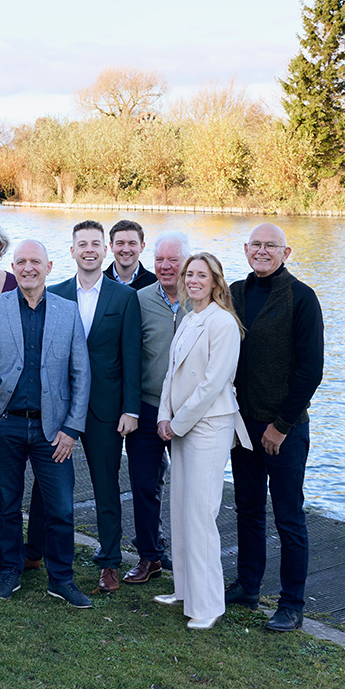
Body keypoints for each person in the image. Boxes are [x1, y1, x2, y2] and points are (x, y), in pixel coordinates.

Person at [0, 240, 92, 606]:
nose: (28, 268)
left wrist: (71, 429)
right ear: (13, 266)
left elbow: (81, 374)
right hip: (5, 424)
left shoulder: (68, 312)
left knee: (61, 508)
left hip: (52, 430)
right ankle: (10, 572)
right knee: (7, 503)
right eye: (20, 262)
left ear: (49, 266)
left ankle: (62, 579)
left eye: (35, 261)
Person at [25, 220, 141, 593]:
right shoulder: (54, 294)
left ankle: (108, 562)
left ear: (104, 250)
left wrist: (131, 409)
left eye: (95, 243)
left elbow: (132, 358)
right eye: (82, 244)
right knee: (47, 484)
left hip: (106, 410)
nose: (89, 249)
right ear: (72, 250)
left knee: (106, 486)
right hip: (59, 408)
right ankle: (34, 550)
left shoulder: (123, 298)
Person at [225, 223, 324, 632]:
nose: (262, 251)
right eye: (256, 245)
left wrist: (281, 427)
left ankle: (291, 604)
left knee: (288, 517)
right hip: (242, 426)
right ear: (246, 249)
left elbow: (310, 370)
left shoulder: (302, 298)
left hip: (284, 429)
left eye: (271, 246)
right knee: (247, 509)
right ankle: (248, 586)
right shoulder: (234, 292)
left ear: (287, 252)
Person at [154, 253, 252, 630]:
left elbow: (213, 383)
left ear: (215, 282)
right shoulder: (189, 317)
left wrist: (178, 423)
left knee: (200, 513)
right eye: (189, 274)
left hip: (208, 426)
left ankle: (209, 603)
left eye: (201, 275)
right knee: (180, 509)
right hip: (180, 425)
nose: (193, 280)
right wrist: (165, 415)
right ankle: (185, 589)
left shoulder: (223, 322)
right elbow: (171, 375)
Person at [124, 231, 190, 585]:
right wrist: (130, 408)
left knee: (190, 488)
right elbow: (130, 356)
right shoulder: (140, 300)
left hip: (190, 412)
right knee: (144, 485)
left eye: (174, 260)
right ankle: (150, 556)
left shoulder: (205, 299)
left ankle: (188, 559)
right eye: (160, 260)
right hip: (148, 408)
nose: (166, 267)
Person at [103, 219, 157, 290]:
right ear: (111, 246)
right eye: (120, 243)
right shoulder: (99, 282)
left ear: (142, 246)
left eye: (132, 243)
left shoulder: (155, 284)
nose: (126, 250)